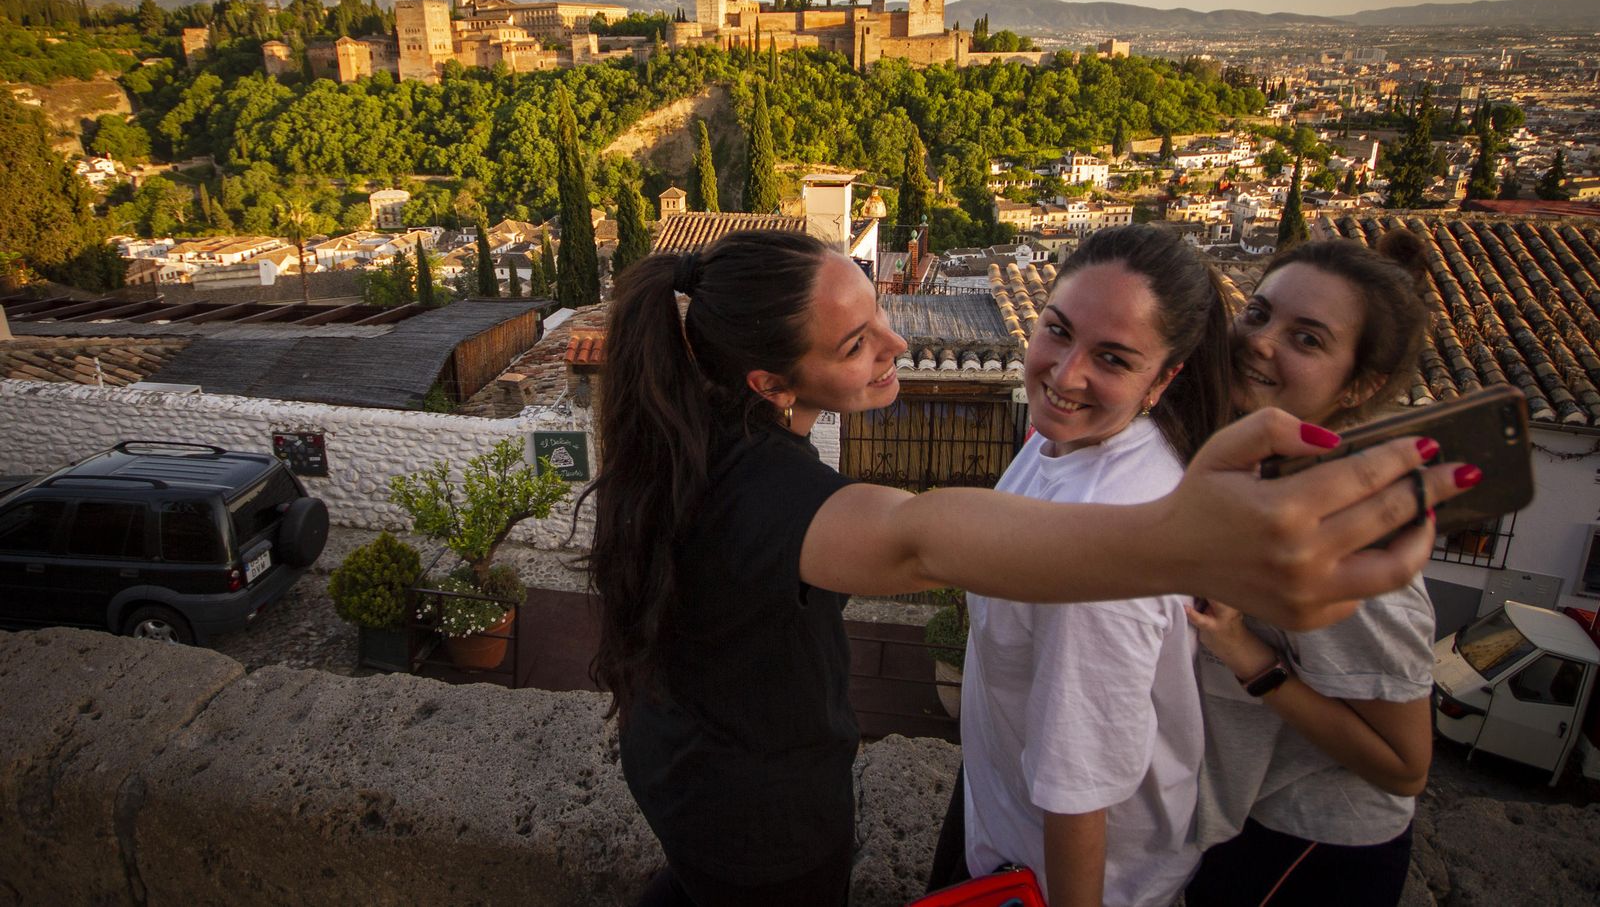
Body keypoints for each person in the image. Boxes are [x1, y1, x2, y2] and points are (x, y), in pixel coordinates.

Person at [583, 230, 1463, 907]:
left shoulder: (689, 432)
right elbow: (920, 536)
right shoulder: (773, 498)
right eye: (854, 344)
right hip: (757, 818)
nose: (896, 341)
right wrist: (1181, 542)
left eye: (879, 309)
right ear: (771, 383)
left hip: (682, 772)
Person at [958, 226, 1232, 907]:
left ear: (1163, 379)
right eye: (1058, 331)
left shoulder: (1102, 552)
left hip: (1063, 881)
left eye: (1112, 358)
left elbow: (1077, 793)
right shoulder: (1070, 441)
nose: (1065, 373)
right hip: (1009, 832)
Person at [1184, 232, 1457, 907]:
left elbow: (1405, 767)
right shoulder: (1253, 473)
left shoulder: (1350, 540)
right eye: (1258, 313)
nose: (1260, 341)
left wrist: (1246, 654)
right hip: (1247, 819)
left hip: (1310, 846)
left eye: (1306, 339)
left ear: (1359, 385)